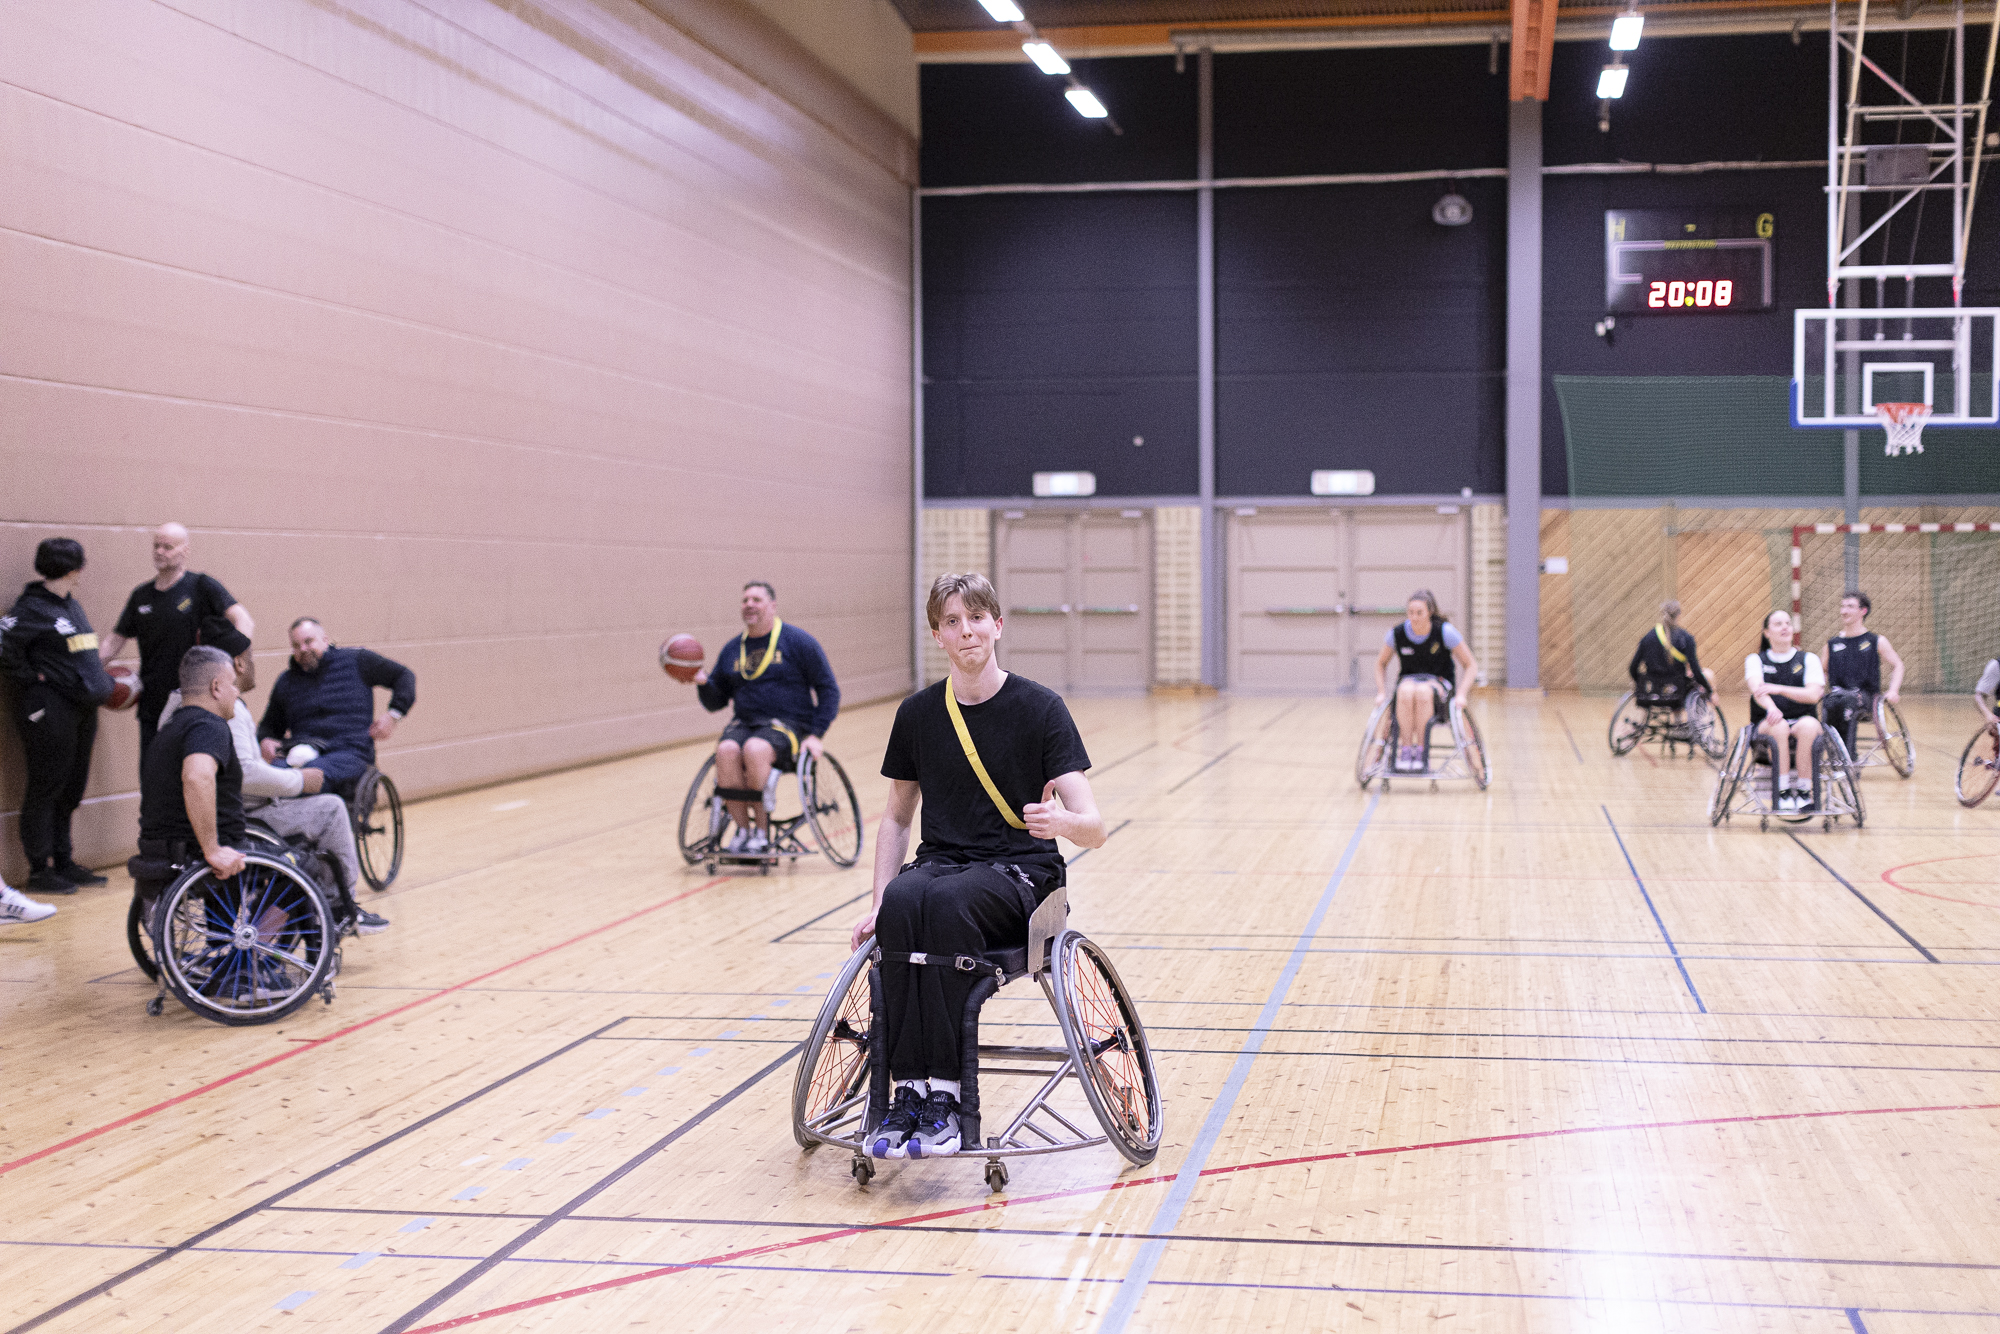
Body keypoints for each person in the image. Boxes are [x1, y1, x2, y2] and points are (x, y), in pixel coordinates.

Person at [849, 573, 1103, 1160]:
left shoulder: (1040, 708)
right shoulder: (918, 714)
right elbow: (895, 819)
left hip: (1022, 874)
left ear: (998, 625)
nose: (966, 631)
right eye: (952, 622)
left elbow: (1095, 826)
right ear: (937, 635)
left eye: (976, 618)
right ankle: (907, 1091)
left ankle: (945, 1094)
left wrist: (1062, 822)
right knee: (905, 900)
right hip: (944, 864)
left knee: (944, 902)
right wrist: (879, 901)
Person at [159, 629, 386, 936]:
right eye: (250, 658)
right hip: (243, 816)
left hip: (187, 823)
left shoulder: (176, 710)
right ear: (237, 665)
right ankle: (338, 908)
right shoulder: (218, 714)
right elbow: (241, 776)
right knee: (331, 809)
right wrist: (298, 781)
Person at [685, 582, 840, 853]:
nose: (749, 604)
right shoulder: (733, 649)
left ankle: (761, 831)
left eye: (756, 599)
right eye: (745, 600)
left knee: (755, 749)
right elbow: (715, 702)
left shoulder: (798, 642)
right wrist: (702, 682)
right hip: (745, 724)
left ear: (772, 606)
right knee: (726, 750)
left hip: (787, 725)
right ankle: (743, 830)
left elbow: (829, 690)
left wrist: (816, 734)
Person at [1, 537, 114, 895]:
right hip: (49, 709)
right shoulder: (31, 608)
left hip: (81, 708)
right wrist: (32, 677)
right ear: (75, 569)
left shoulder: (71, 606)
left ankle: (64, 860)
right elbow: (3, 646)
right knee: (46, 786)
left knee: (71, 787)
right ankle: (40, 869)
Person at [101, 523, 254, 764]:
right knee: (152, 775)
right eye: (156, 546)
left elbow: (243, 619)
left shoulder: (201, 586)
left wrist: (234, 664)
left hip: (194, 701)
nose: (160, 552)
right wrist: (91, 669)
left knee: (192, 771)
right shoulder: (141, 595)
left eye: (168, 547)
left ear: (185, 551)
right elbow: (115, 640)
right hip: (153, 703)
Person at [257, 618, 415, 795]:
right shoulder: (286, 682)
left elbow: (404, 676)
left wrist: (393, 715)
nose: (303, 649)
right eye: (296, 645)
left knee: (307, 776)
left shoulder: (357, 661)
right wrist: (265, 739)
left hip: (350, 754)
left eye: (308, 641)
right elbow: (269, 726)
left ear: (325, 640)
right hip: (302, 753)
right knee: (265, 779)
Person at [137, 646, 249, 888]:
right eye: (232, 684)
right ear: (216, 687)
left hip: (160, 853)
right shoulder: (209, 725)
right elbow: (197, 777)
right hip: (199, 856)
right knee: (304, 863)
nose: (237, 692)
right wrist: (212, 850)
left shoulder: (168, 728)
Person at [1371, 589, 1482, 773]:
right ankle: (1407, 751)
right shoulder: (1397, 633)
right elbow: (1380, 664)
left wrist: (1462, 694)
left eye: (1419, 613)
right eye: (1410, 613)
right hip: (1409, 682)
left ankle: (1422, 752)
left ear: (1429, 612)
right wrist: (1381, 692)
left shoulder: (1444, 632)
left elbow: (1471, 665)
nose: (1414, 617)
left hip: (1438, 683)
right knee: (1405, 691)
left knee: (1423, 691)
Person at [1746, 609, 1826, 810]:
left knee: (1809, 726)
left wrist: (1779, 689)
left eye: (1788, 623)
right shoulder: (1756, 660)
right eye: (1778, 624)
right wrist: (1772, 708)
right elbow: (1758, 690)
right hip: (1767, 723)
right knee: (1779, 725)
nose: (1784, 627)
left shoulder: (1808, 659)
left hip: (1802, 719)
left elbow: (1813, 695)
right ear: (1767, 632)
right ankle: (1782, 791)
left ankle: (1804, 790)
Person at [1822, 590, 1905, 754]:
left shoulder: (1876, 641)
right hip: (1837, 695)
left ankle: (1848, 757)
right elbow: (1821, 672)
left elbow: (1898, 665)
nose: (1844, 611)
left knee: (1849, 701)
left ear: (1863, 611)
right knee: (1829, 703)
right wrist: (1818, 689)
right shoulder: (1832, 644)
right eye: (1842, 606)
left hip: (1866, 698)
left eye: (1850, 606)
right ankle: (1833, 754)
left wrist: (1893, 690)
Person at [1627, 600, 1718, 708]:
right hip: (1678, 693)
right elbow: (1696, 671)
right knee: (1707, 674)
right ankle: (1686, 715)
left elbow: (1633, 667)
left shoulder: (1647, 638)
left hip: (1652, 691)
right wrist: (1710, 691)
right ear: (1679, 615)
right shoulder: (1686, 638)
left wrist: (1640, 683)